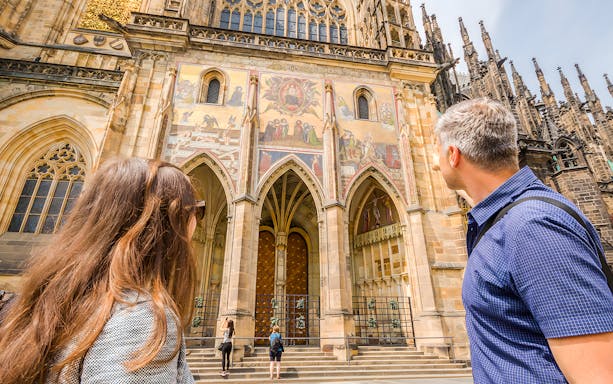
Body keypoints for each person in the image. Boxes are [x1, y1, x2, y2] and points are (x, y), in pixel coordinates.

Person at [432, 97, 613, 383]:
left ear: (453, 155)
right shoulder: (505, 220)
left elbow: (599, 375)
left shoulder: (533, 226)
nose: (434, 161)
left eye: (437, 151)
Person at [0, 158, 206, 383]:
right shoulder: (138, 318)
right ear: (165, 223)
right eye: (195, 210)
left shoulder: (51, 303)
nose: (197, 220)